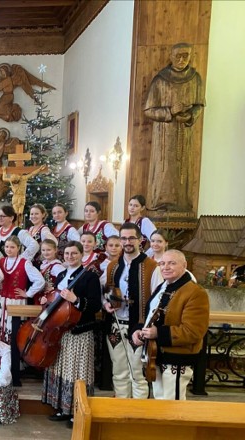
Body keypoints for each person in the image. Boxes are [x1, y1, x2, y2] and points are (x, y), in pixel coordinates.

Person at [132, 250, 209, 400]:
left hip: (177, 359)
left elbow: (193, 332)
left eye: (172, 263)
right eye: (162, 263)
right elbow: (150, 316)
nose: (165, 267)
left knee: (173, 405)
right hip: (156, 355)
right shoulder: (163, 286)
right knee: (161, 403)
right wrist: (139, 331)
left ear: (184, 265)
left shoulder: (195, 292)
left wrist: (158, 333)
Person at [41, 241, 101, 429]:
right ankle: (62, 408)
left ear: (82, 255)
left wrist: (75, 299)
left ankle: (77, 411)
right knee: (59, 369)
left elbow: (95, 305)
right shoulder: (60, 275)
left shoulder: (90, 277)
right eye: (66, 254)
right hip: (60, 332)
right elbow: (57, 302)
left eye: (74, 253)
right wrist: (47, 299)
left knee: (77, 371)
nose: (70, 257)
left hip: (79, 331)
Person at [101, 223, 162, 399]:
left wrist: (148, 326)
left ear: (140, 240)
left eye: (131, 238)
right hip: (116, 325)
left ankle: (138, 415)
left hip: (139, 327)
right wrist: (106, 303)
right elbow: (105, 290)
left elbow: (158, 299)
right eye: (124, 238)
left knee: (138, 374)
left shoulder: (151, 266)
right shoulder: (113, 266)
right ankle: (121, 411)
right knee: (119, 372)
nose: (127, 242)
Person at [144, 43, 205, 212]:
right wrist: (170, 111)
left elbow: (199, 105)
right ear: (171, 57)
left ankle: (182, 205)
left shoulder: (195, 79)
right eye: (178, 56)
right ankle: (160, 203)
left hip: (185, 133)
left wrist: (190, 115)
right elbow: (149, 110)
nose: (181, 60)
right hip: (164, 135)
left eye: (185, 56)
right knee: (164, 170)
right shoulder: (160, 80)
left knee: (183, 171)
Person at [0, 236, 45, 345]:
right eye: (7, 247)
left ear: (18, 248)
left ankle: (14, 355)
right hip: (2, 300)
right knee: (0, 326)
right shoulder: (0, 261)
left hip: (16, 301)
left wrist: (28, 293)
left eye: (12, 247)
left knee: (14, 329)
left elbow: (40, 281)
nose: (9, 249)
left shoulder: (25, 263)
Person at [28, 203, 58, 268]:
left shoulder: (44, 230)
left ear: (43, 215)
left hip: (37, 265)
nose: (33, 216)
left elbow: (54, 243)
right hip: (28, 263)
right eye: (32, 214)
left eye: (36, 214)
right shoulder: (30, 229)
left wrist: (43, 255)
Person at [38, 239, 65, 304]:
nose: (46, 252)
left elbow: (65, 280)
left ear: (55, 250)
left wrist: (54, 288)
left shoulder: (56, 266)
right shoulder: (44, 265)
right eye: (43, 250)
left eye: (49, 250)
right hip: (42, 298)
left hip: (51, 299)